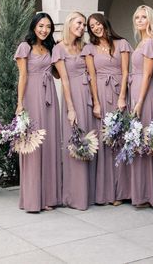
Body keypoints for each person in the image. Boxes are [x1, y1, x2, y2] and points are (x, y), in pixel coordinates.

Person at [81, 13, 132, 205]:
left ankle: (123, 191)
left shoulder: (122, 44)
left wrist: (122, 97)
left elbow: (126, 72)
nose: (95, 27)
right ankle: (107, 192)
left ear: (105, 23)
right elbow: (92, 76)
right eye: (91, 26)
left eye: (97, 23)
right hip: (101, 94)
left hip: (119, 93)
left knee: (121, 139)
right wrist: (96, 102)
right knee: (105, 142)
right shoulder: (89, 48)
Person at [14, 12, 62, 212]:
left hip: (50, 97)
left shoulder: (51, 47)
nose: (44, 30)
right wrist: (19, 104)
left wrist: (59, 50)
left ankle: (49, 197)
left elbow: (58, 75)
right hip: (32, 97)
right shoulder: (25, 47)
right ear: (34, 26)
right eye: (41, 26)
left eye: (48, 27)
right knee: (33, 146)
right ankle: (33, 199)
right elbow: (23, 76)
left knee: (49, 145)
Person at [52, 11, 96, 210]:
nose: (82, 27)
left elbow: (92, 74)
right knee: (74, 143)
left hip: (86, 95)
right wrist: (70, 108)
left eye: (84, 25)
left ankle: (89, 194)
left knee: (88, 141)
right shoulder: (59, 49)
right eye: (79, 23)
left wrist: (96, 101)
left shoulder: (85, 47)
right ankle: (74, 195)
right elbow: (65, 80)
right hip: (72, 97)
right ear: (69, 23)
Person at [130, 5, 153, 208]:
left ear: (150, 20)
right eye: (137, 17)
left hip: (145, 95)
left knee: (146, 142)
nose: (140, 20)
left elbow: (148, 74)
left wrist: (140, 101)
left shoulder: (150, 43)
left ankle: (150, 195)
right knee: (138, 143)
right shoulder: (141, 42)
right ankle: (141, 193)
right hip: (136, 92)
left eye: (144, 17)